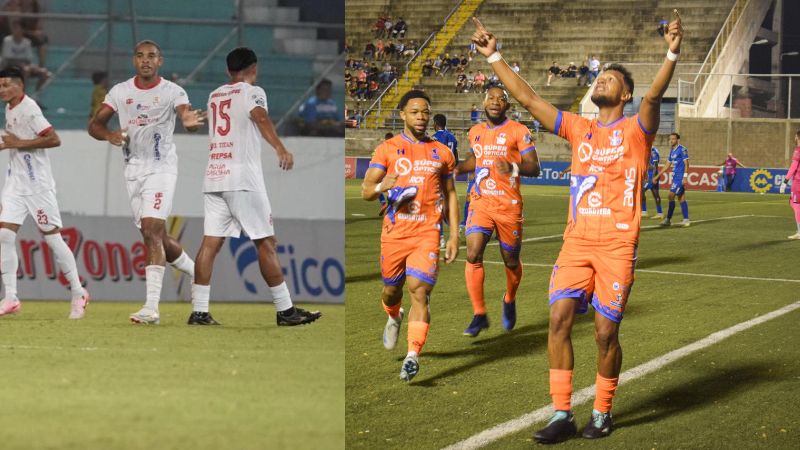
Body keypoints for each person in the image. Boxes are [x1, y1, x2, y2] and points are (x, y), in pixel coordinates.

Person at [471, 10, 682, 441]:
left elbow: (655, 99)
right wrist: (495, 57)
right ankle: (561, 413)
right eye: (600, 77)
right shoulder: (579, 127)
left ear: (625, 93)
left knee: (606, 334)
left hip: (617, 248)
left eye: (611, 79)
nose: (601, 80)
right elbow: (530, 101)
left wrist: (672, 53)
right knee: (558, 321)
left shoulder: (638, 130)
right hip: (576, 244)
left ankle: (603, 413)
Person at [192, 47, 321, 326]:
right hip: (242, 179)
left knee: (210, 243)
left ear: (228, 71)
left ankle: (199, 311)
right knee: (266, 242)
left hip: (214, 176)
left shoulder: (215, 94)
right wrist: (280, 147)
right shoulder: (253, 91)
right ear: (255, 68)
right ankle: (286, 311)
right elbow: (260, 117)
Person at [88, 40, 204, 324]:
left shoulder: (172, 91)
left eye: (152, 56)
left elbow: (183, 110)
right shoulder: (120, 92)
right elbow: (94, 125)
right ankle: (197, 274)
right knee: (156, 236)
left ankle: (151, 308)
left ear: (160, 61)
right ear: (134, 61)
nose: (146, 61)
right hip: (133, 170)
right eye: (140, 56)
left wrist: (187, 119)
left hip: (161, 167)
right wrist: (110, 135)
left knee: (152, 230)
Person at [361, 90, 459, 382]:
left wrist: (454, 234)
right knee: (392, 291)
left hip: (427, 232)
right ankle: (393, 316)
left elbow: (451, 195)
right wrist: (382, 186)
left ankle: (412, 355)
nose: (421, 117)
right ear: (402, 114)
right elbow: (366, 191)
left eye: (425, 112)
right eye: (415, 112)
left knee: (420, 290)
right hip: (394, 234)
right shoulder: (387, 149)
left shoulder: (442, 152)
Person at [0, 66, 89, 319]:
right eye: (0, 85)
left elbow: (53, 139)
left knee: (52, 238)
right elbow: (15, 141)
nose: (2, 89)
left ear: (21, 85)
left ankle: (77, 292)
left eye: (7, 84)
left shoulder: (30, 109)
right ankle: (10, 297)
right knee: (4, 234)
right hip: (15, 184)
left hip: (37, 186)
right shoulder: (10, 108)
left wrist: (19, 144)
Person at [457, 85, 540, 336]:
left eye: (501, 99)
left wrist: (513, 167)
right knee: (472, 254)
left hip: (508, 206)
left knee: (511, 260)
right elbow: (476, 159)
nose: (495, 101)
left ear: (507, 106)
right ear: (483, 104)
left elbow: (534, 167)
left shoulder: (519, 131)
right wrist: (458, 167)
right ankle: (479, 314)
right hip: (481, 201)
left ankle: (509, 298)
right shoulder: (475, 132)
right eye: (491, 98)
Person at [433, 113, 460, 245]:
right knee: (447, 204)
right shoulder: (452, 137)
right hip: (450, 174)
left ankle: (441, 237)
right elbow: (456, 157)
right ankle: (455, 228)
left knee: (437, 204)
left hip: (438, 175)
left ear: (435, 124)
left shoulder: (435, 138)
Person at [1, 20, 49, 90]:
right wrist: (20, 64)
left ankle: (36, 94)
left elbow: (28, 59)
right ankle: (22, 93)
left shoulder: (27, 42)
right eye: (14, 28)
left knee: (44, 73)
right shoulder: (7, 40)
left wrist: (26, 65)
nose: (15, 31)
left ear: (22, 30)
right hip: (9, 66)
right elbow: (7, 59)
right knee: (26, 70)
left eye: (17, 28)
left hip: (24, 66)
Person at [656, 132, 690, 226]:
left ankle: (668, 219)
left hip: (680, 177)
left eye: (673, 139)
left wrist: (685, 177)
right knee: (681, 198)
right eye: (670, 139)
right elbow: (667, 164)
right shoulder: (672, 151)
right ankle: (686, 220)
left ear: (677, 140)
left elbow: (686, 163)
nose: (671, 140)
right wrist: (658, 175)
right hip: (675, 177)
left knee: (671, 195)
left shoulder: (682, 150)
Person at [779, 130, 800, 239]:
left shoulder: (798, 150)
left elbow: (793, 167)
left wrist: (785, 181)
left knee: (796, 205)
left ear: (798, 137)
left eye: (796, 136)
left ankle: (799, 233)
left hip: (798, 183)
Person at [642, 146, 663, 218]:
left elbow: (655, 165)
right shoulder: (646, 149)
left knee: (640, 191)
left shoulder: (653, 151)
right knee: (655, 193)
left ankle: (644, 211)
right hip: (650, 175)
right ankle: (660, 213)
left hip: (652, 175)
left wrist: (654, 177)